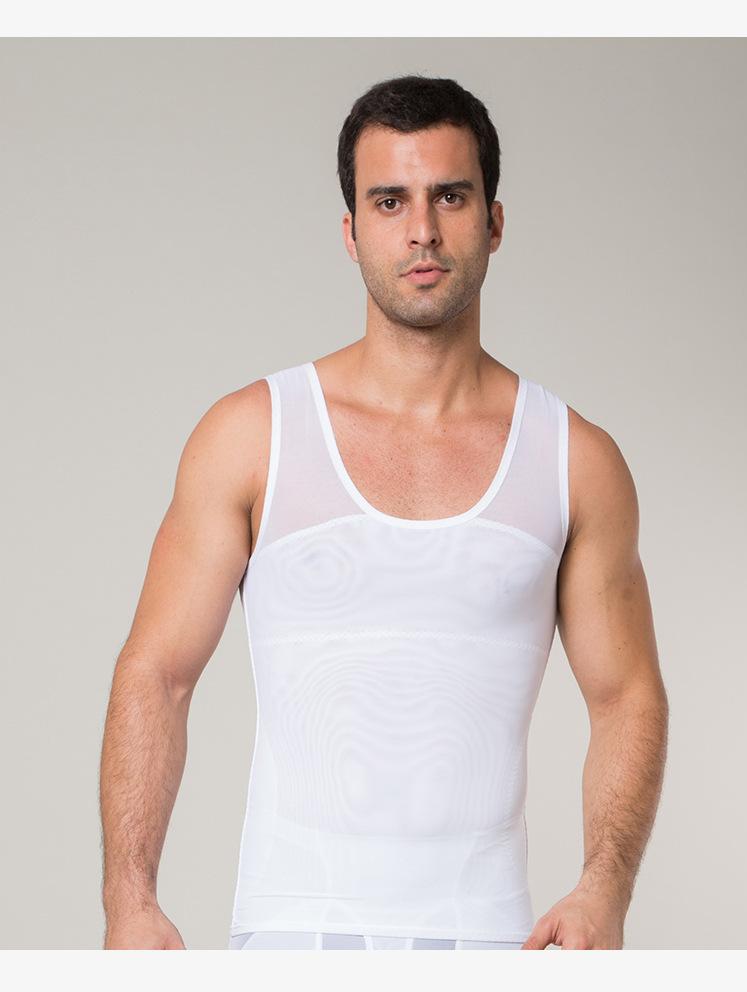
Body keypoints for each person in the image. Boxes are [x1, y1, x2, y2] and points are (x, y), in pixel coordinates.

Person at [99, 74, 669, 952]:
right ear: (352, 230)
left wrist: (606, 890)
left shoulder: (574, 460)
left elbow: (627, 694)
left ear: (495, 221)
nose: (422, 230)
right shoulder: (252, 436)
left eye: (451, 196)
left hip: (491, 943)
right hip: (289, 938)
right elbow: (157, 674)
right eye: (390, 200)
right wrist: (129, 899)